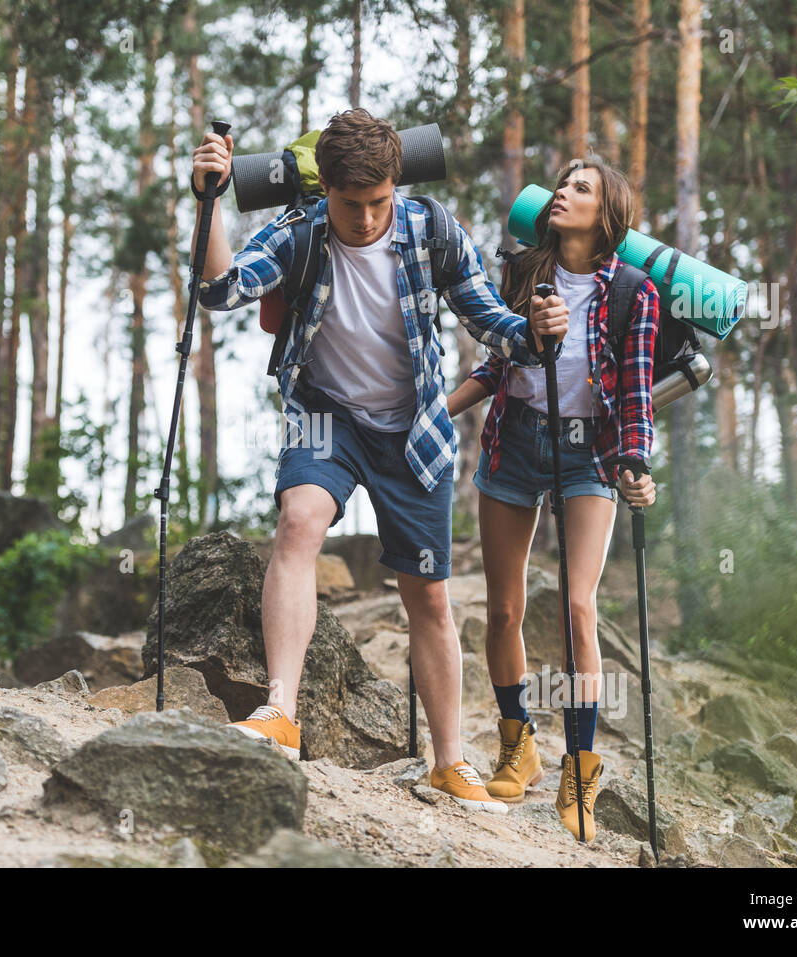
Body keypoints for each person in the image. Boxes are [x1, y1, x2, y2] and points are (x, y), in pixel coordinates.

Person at [190, 108, 566, 809]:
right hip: (323, 412)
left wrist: (538, 330)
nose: (366, 218)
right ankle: (279, 711)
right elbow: (219, 290)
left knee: (426, 596)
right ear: (324, 189)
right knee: (299, 521)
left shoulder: (431, 228)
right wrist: (209, 202)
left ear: (397, 186)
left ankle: (449, 759)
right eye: (350, 204)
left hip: (413, 429)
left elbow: (495, 324)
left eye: (379, 202)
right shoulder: (300, 231)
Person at [445, 156, 659, 841]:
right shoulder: (522, 273)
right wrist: (437, 412)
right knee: (503, 608)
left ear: (608, 213)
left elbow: (635, 392)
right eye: (563, 184)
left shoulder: (633, 292)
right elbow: (496, 363)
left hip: (589, 453)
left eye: (582, 188)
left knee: (576, 606)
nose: (564, 193)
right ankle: (519, 747)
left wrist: (636, 461)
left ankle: (580, 768)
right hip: (515, 440)